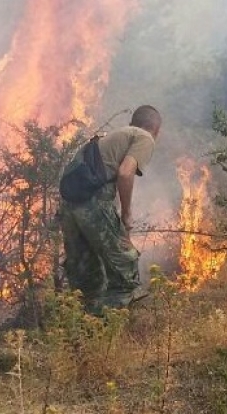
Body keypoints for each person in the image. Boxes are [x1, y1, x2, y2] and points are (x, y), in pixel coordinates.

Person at [59, 105, 161, 315]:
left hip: (70, 205)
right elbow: (125, 173)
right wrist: (126, 213)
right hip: (93, 202)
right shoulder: (145, 137)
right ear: (156, 129)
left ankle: (78, 327)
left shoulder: (113, 136)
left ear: (133, 122)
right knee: (125, 264)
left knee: (85, 273)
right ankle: (109, 327)